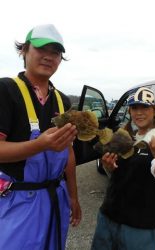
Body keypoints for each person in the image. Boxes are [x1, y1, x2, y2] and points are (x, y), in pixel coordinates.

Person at [0, 24, 82, 250]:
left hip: (56, 197)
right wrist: (39, 145)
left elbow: (69, 152)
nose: (49, 57)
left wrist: (73, 197)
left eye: (55, 52)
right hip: (17, 200)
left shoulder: (62, 101)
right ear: (24, 51)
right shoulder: (6, 90)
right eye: (41, 49)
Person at [91, 87, 155, 250]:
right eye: (134, 108)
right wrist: (109, 167)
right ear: (129, 111)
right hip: (108, 214)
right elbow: (116, 173)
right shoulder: (124, 135)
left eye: (145, 107)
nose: (139, 112)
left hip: (139, 224)